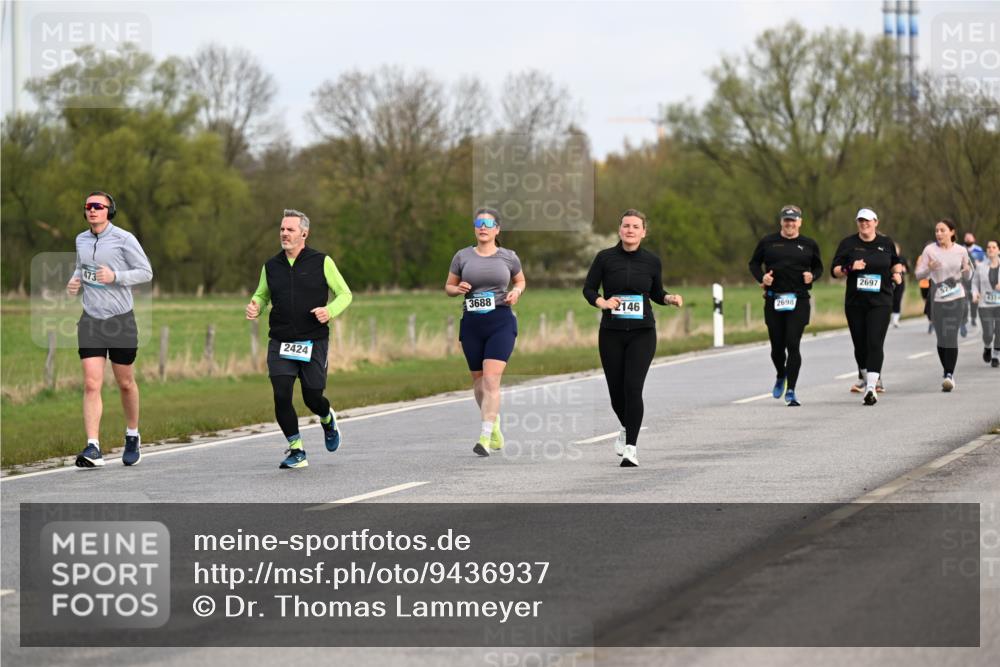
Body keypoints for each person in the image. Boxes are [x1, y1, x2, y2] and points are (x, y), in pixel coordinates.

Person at [245, 209, 352, 469]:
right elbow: (262, 294)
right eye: (282, 229)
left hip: (313, 341)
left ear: (304, 233)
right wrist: (255, 305)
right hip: (281, 340)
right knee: (281, 395)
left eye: (290, 229)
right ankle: (297, 450)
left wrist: (330, 311)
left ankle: (327, 419)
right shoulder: (271, 266)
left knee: (312, 397)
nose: (284, 233)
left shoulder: (321, 261)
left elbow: (345, 294)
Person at [583, 209, 683, 467]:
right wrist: (602, 302)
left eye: (635, 226)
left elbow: (657, 292)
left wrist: (669, 298)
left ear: (643, 232)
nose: (630, 230)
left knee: (632, 387)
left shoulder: (652, 261)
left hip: (643, 333)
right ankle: (627, 428)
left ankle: (631, 448)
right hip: (611, 333)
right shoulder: (604, 258)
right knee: (616, 393)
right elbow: (589, 288)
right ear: (620, 230)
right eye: (626, 225)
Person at [66, 191, 153, 467]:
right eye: (88, 206)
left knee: (125, 383)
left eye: (98, 206)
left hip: (120, 320)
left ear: (109, 211)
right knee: (92, 383)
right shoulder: (81, 239)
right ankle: (93, 447)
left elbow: (146, 272)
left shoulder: (124, 238)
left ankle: (132, 435)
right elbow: (81, 268)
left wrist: (116, 276)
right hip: (91, 319)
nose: (92, 210)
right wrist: (74, 281)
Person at [445, 208, 526, 457]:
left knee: (491, 379)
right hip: (472, 324)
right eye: (479, 223)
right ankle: (495, 424)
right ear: (475, 228)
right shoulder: (462, 256)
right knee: (479, 383)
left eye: (488, 224)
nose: (483, 227)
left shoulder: (509, 257)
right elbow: (448, 286)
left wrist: (516, 292)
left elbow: (520, 281)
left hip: (500, 321)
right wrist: (457, 288)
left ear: (497, 229)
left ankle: (484, 434)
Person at [747, 205, 823, 406]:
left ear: (800, 222)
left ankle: (791, 390)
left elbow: (819, 267)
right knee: (777, 347)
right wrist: (761, 278)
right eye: (786, 220)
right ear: (781, 221)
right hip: (774, 298)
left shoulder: (808, 244)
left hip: (799, 299)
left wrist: (812, 276)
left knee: (793, 343)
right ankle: (781, 374)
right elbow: (753, 264)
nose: (790, 223)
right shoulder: (768, 242)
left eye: (793, 220)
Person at [831, 208, 903, 406]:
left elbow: (895, 263)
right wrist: (850, 268)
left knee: (874, 342)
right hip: (855, 302)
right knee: (860, 345)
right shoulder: (848, 244)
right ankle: (865, 376)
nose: (864, 224)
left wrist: (898, 274)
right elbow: (834, 270)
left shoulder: (886, 243)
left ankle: (871, 387)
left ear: (876, 222)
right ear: (857, 223)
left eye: (868, 221)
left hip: (881, 301)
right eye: (861, 221)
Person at [914, 220, 972, 391]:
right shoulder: (929, 250)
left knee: (951, 334)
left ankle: (949, 374)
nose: (938, 234)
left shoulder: (961, 251)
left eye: (942, 230)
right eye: (936, 230)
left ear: (952, 232)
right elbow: (918, 275)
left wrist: (967, 270)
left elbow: (967, 276)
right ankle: (946, 370)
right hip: (937, 297)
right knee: (941, 338)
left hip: (956, 297)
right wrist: (928, 268)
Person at [971, 239, 1000, 368]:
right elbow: (974, 283)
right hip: (985, 304)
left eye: (994, 247)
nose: (991, 249)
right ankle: (988, 346)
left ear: (998, 250)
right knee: (988, 332)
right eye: (988, 247)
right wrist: (975, 293)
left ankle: (996, 354)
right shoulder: (980, 266)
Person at [963, 232, 986, 332]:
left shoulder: (979, 250)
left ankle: (973, 317)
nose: (968, 240)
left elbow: (985, 263)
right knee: (963, 300)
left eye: (970, 238)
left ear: (974, 239)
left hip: (976, 278)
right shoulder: (961, 249)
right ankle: (964, 318)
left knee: (974, 299)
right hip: (963, 278)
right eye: (966, 238)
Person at [891, 242, 909, 328]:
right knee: (890, 300)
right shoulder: (888, 258)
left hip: (900, 283)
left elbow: (908, 270)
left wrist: (905, 269)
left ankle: (895, 320)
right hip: (890, 282)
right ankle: (890, 317)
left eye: (896, 249)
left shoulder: (902, 259)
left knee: (897, 300)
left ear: (899, 250)